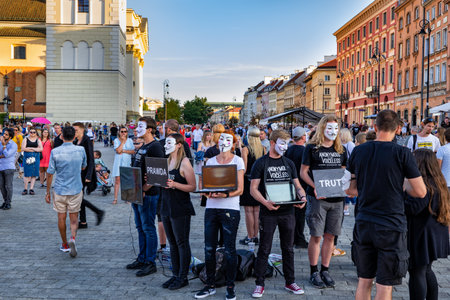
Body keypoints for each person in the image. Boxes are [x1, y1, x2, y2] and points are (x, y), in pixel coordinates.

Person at [346, 110, 427, 300]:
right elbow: (420, 192)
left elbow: (350, 189)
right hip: (391, 224)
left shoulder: (359, 150)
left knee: (364, 280)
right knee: (385, 285)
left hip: (364, 221)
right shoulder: (402, 153)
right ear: (399, 129)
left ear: (375, 127)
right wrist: (400, 184)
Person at [250, 129, 307, 298]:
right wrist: (265, 202)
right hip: (268, 212)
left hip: (288, 211)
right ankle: (259, 283)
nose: (285, 147)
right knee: (264, 248)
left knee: (288, 248)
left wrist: (302, 197)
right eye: (282, 143)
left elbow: (297, 185)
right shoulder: (260, 163)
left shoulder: (289, 163)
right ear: (272, 143)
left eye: (287, 143)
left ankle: (290, 281)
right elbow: (253, 189)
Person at [195, 131, 244, 300]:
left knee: (229, 250)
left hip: (230, 209)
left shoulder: (238, 161)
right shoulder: (211, 161)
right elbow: (205, 184)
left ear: (234, 143)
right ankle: (210, 284)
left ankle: (230, 286)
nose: (224, 142)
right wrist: (205, 193)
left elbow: (240, 189)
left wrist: (225, 195)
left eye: (228, 139)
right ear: (217, 142)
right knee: (209, 249)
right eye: (221, 138)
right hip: (211, 208)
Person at [300, 115, 347, 289]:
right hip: (318, 198)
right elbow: (303, 172)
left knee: (330, 236)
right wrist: (314, 187)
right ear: (322, 129)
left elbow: (343, 172)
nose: (333, 132)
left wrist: (345, 185)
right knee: (316, 235)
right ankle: (314, 271)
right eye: (329, 128)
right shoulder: (312, 148)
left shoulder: (341, 149)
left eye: (336, 128)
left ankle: (325, 270)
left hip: (336, 198)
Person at [405, 149, 450, 300]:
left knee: (417, 270)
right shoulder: (438, 180)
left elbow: (413, 208)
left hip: (422, 233)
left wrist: (401, 193)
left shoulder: (423, 183)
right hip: (435, 231)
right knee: (426, 269)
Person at [126, 117, 164, 277]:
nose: (137, 129)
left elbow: (158, 175)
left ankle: (150, 261)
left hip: (148, 195)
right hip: (137, 192)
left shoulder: (155, 147)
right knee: (140, 227)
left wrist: (144, 189)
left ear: (150, 129)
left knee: (148, 227)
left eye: (141, 126)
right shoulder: (143, 146)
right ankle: (142, 258)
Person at [160, 133, 196, 290]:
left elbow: (192, 187)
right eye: (166, 142)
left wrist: (175, 184)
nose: (166, 145)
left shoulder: (184, 162)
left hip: (180, 207)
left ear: (179, 145)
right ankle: (175, 274)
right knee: (172, 243)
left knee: (182, 242)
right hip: (166, 206)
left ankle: (183, 276)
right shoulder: (166, 161)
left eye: (170, 142)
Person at [46, 126, 87, 257]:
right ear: (74, 137)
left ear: (62, 136)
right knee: (74, 218)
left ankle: (64, 243)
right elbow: (84, 166)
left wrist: (47, 191)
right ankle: (72, 238)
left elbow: (50, 173)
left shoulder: (55, 151)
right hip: (75, 188)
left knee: (61, 217)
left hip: (59, 189)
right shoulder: (81, 150)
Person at [73, 122, 105, 229]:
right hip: (78, 172)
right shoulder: (76, 141)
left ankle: (98, 212)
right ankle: (83, 222)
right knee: (79, 197)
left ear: (82, 130)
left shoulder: (86, 140)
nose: (75, 132)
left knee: (78, 197)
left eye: (76, 130)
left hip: (85, 173)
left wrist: (89, 175)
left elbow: (91, 158)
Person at [239, 127, 265, 246]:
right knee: (257, 211)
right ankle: (256, 236)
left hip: (248, 181)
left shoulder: (246, 149)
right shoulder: (263, 149)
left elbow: (243, 168)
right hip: (259, 182)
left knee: (249, 211)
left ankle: (250, 236)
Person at [284, 126, 309, 249]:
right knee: (300, 214)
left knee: (291, 213)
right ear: (303, 137)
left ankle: (290, 238)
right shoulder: (304, 151)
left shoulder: (288, 150)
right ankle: (299, 238)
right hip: (302, 186)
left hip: (289, 185)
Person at [112, 126, 134, 204]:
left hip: (127, 162)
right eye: (122, 131)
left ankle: (127, 198)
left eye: (125, 131)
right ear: (119, 132)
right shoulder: (116, 140)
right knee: (117, 180)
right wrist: (123, 142)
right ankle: (115, 198)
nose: (124, 133)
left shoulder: (130, 140)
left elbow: (132, 151)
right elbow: (118, 150)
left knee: (126, 180)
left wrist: (123, 151)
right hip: (118, 162)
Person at [21, 127, 43, 195]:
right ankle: (25, 188)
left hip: (36, 158)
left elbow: (41, 149)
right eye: (31, 132)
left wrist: (30, 148)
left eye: (34, 132)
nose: (32, 133)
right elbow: (23, 148)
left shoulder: (38, 140)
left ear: (36, 133)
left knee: (34, 173)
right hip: (27, 157)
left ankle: (31, 189)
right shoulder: (26, 139)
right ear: (29, 132)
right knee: (26, 173)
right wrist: (35, 149)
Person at [0, 128, 17, 210]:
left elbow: (7, 154)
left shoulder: (13, 145)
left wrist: (4, 146)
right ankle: (5, 201)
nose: (4, 135)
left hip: (8, 167)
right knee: (1, 186)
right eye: (4, 133)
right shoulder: (0, 142)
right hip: (0, 167)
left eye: (6, 134)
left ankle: (8, 203)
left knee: (8, 186)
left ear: (10, 137)